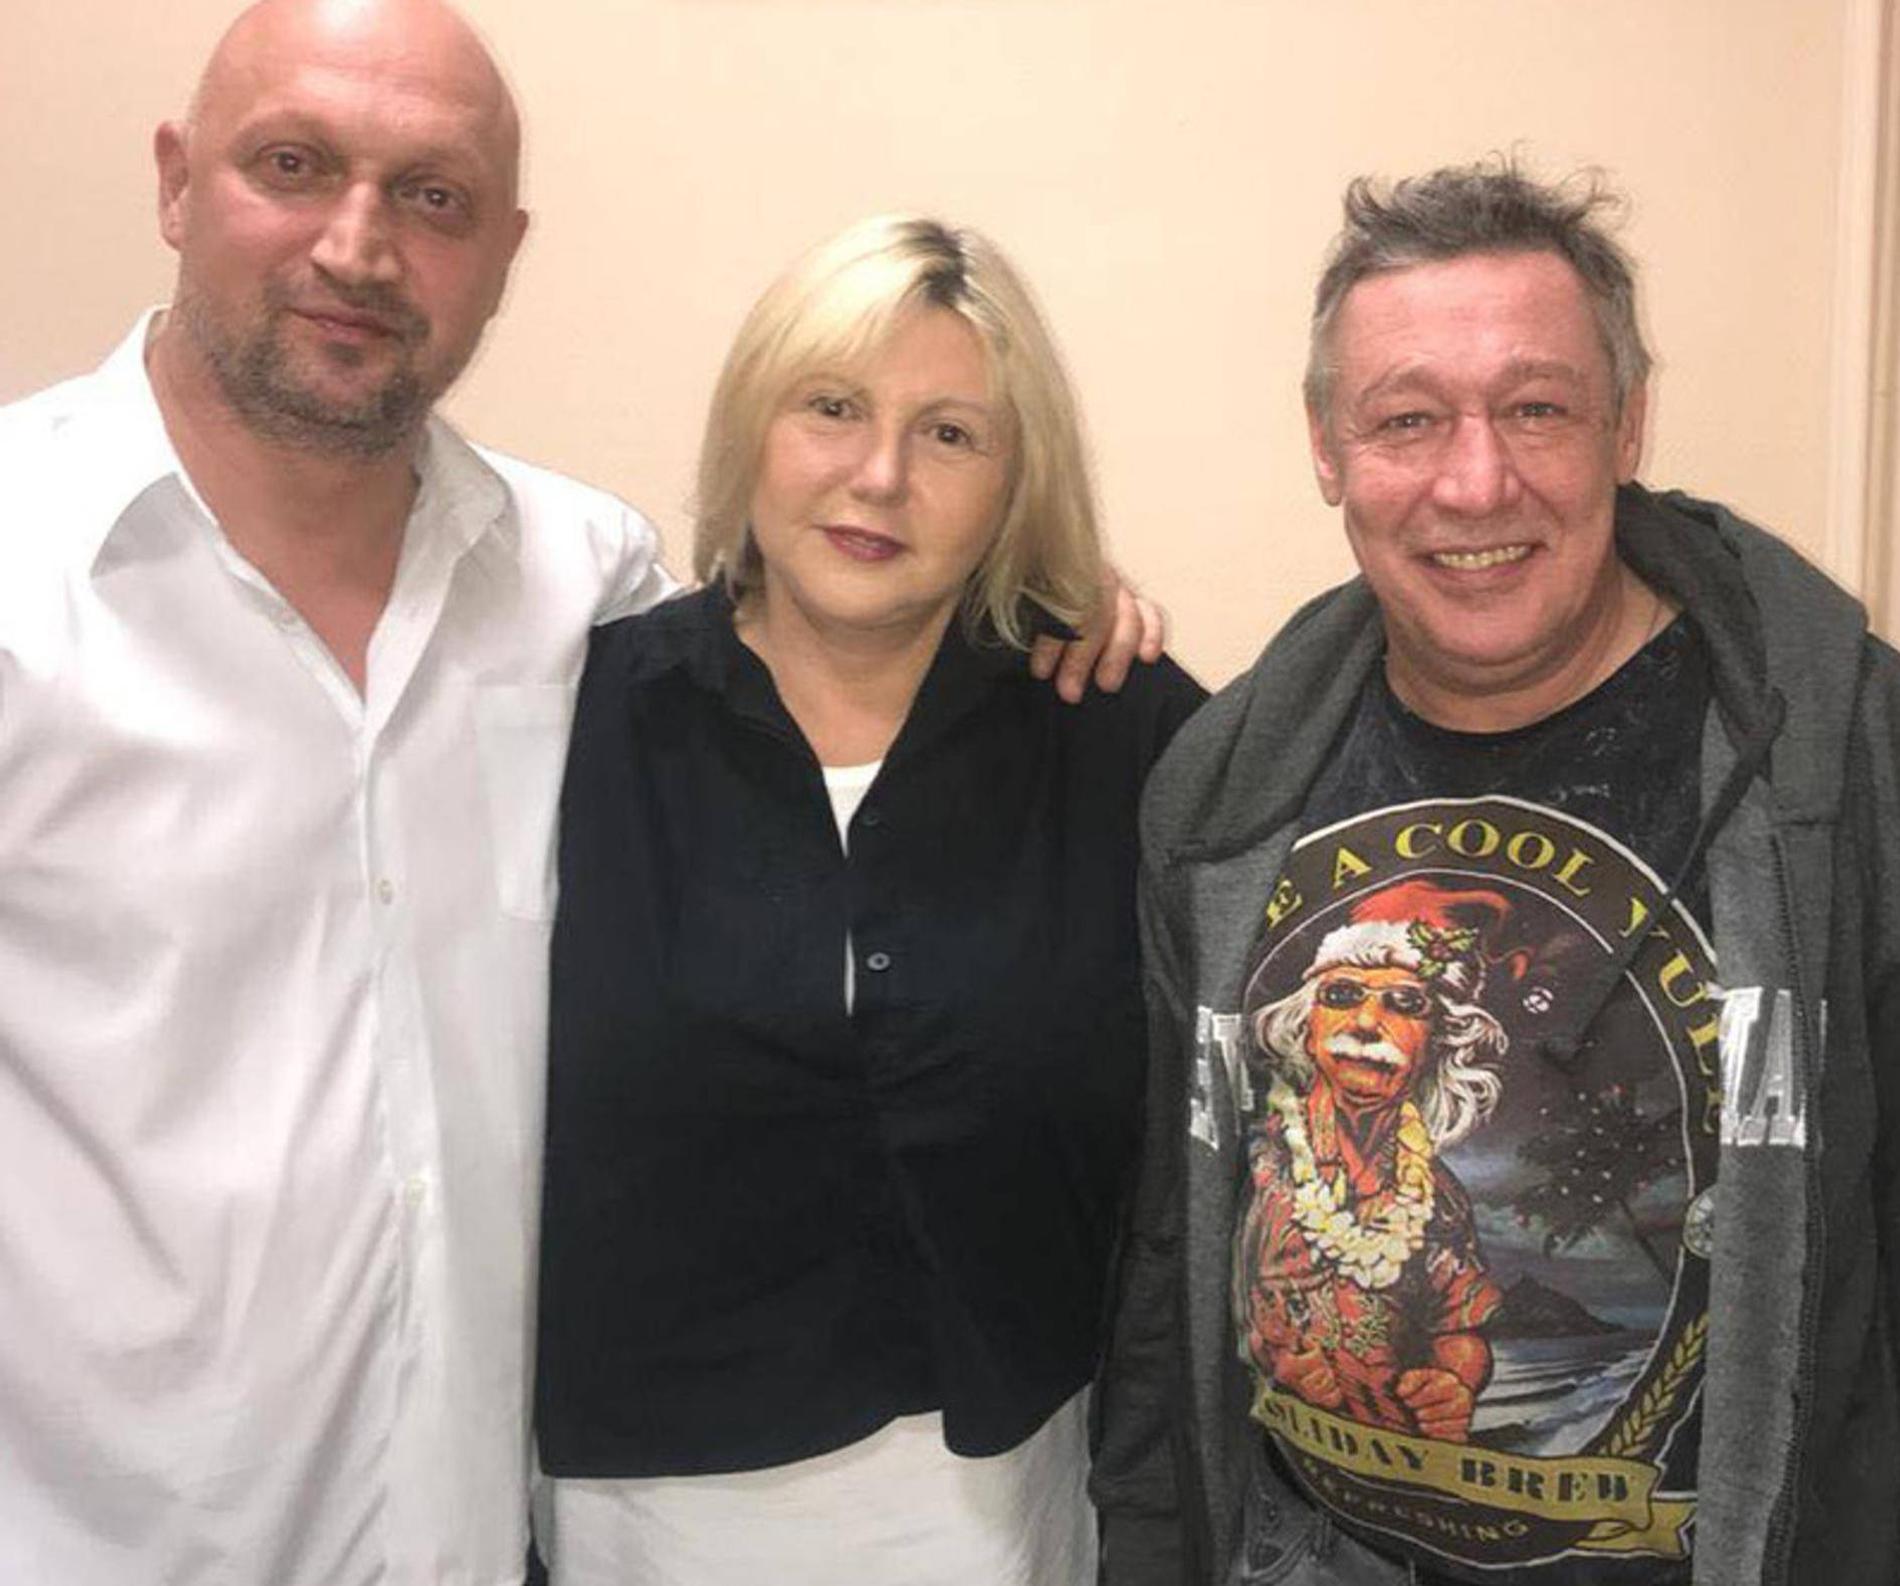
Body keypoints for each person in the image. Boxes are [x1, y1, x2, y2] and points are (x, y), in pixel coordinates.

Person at [0, 3, 1152, 1579]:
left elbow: (831, 645)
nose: (358, 245)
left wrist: (1064, 599)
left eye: (433, 196)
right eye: (293, 164)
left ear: (503, 250)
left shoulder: (573, 585)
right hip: (101, 1534)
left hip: (483, 1525)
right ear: (175, 181)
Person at [1093, 161, 1900, 1586]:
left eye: (1535, 408)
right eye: (1407, 419)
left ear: (1626, 423)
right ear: (1327, 447)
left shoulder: (1846, 772)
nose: (1475, 482)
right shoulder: (1222, 787)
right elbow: (1171, 1250)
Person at [532, 214, 1206, 1586]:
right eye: (831, 406)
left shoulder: (1121, 734)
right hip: (649, 1509)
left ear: (1017, 479)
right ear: (753, 423)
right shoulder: (576, 719)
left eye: (950, 434)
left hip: (1008, 1495)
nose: (880, 476)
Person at [1239, 882, 1512, 1445]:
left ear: (1437, 1042)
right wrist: (1274, 1359)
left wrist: (1454, 1383)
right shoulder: (1263, 1160)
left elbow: (1459, 1332)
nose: (1365, 1022)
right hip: (1277, 1459)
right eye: (1341, 995)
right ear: (1306, 1025)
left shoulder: (1437, 1196)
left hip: (1401, 1455)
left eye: (1404, 1003)